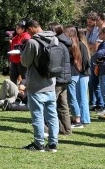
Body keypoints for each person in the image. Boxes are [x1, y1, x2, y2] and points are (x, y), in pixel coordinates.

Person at [20, 19, 59, 152]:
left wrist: (23, 51)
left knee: (37, 115)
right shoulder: (55, 39)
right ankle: (53, 144)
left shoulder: (32, 42)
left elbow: (25, 62)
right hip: (51, 82)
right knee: (52, 115)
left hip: (36, 84)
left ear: (31, 28)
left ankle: (39, 144)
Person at [64, 26, 91, 128]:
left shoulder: (81, 45)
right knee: (79, 97)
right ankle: (82, 118)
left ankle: (83, 119)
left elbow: (85, 62)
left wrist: (81, 71)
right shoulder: (77, 45)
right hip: (80, 73)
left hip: (82, 74)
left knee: (82, 97)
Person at [50, 23, 74, 135]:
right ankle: (66, 129)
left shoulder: (57, 44)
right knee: (63, 106)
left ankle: (51, 128)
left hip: (58, 79)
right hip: (65, 78)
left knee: (50, 104)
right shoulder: (65, 43)